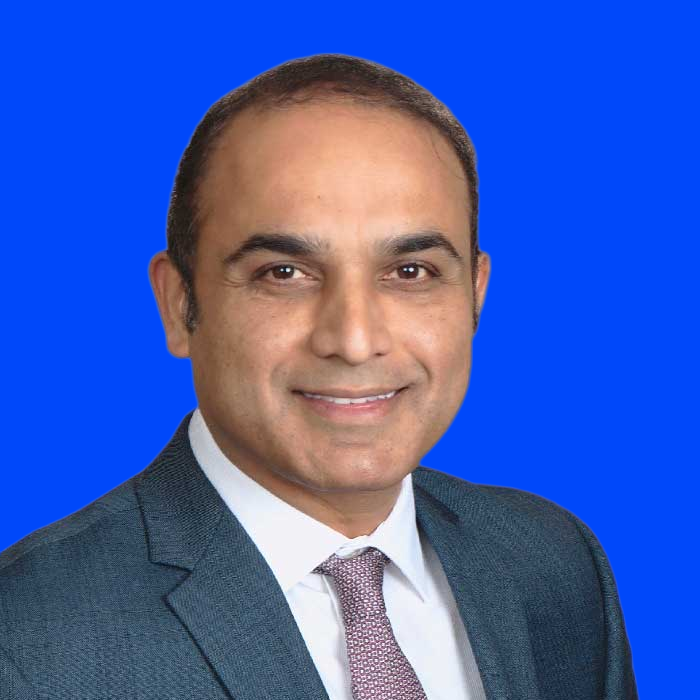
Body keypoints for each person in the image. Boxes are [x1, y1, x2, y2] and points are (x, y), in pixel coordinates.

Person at [0, 54, 637, 700]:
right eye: (284, 273)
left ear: (475, 295)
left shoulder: (554, 563)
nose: (354, 341)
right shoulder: (25, 641)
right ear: (178, 305)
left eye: (411, 271)